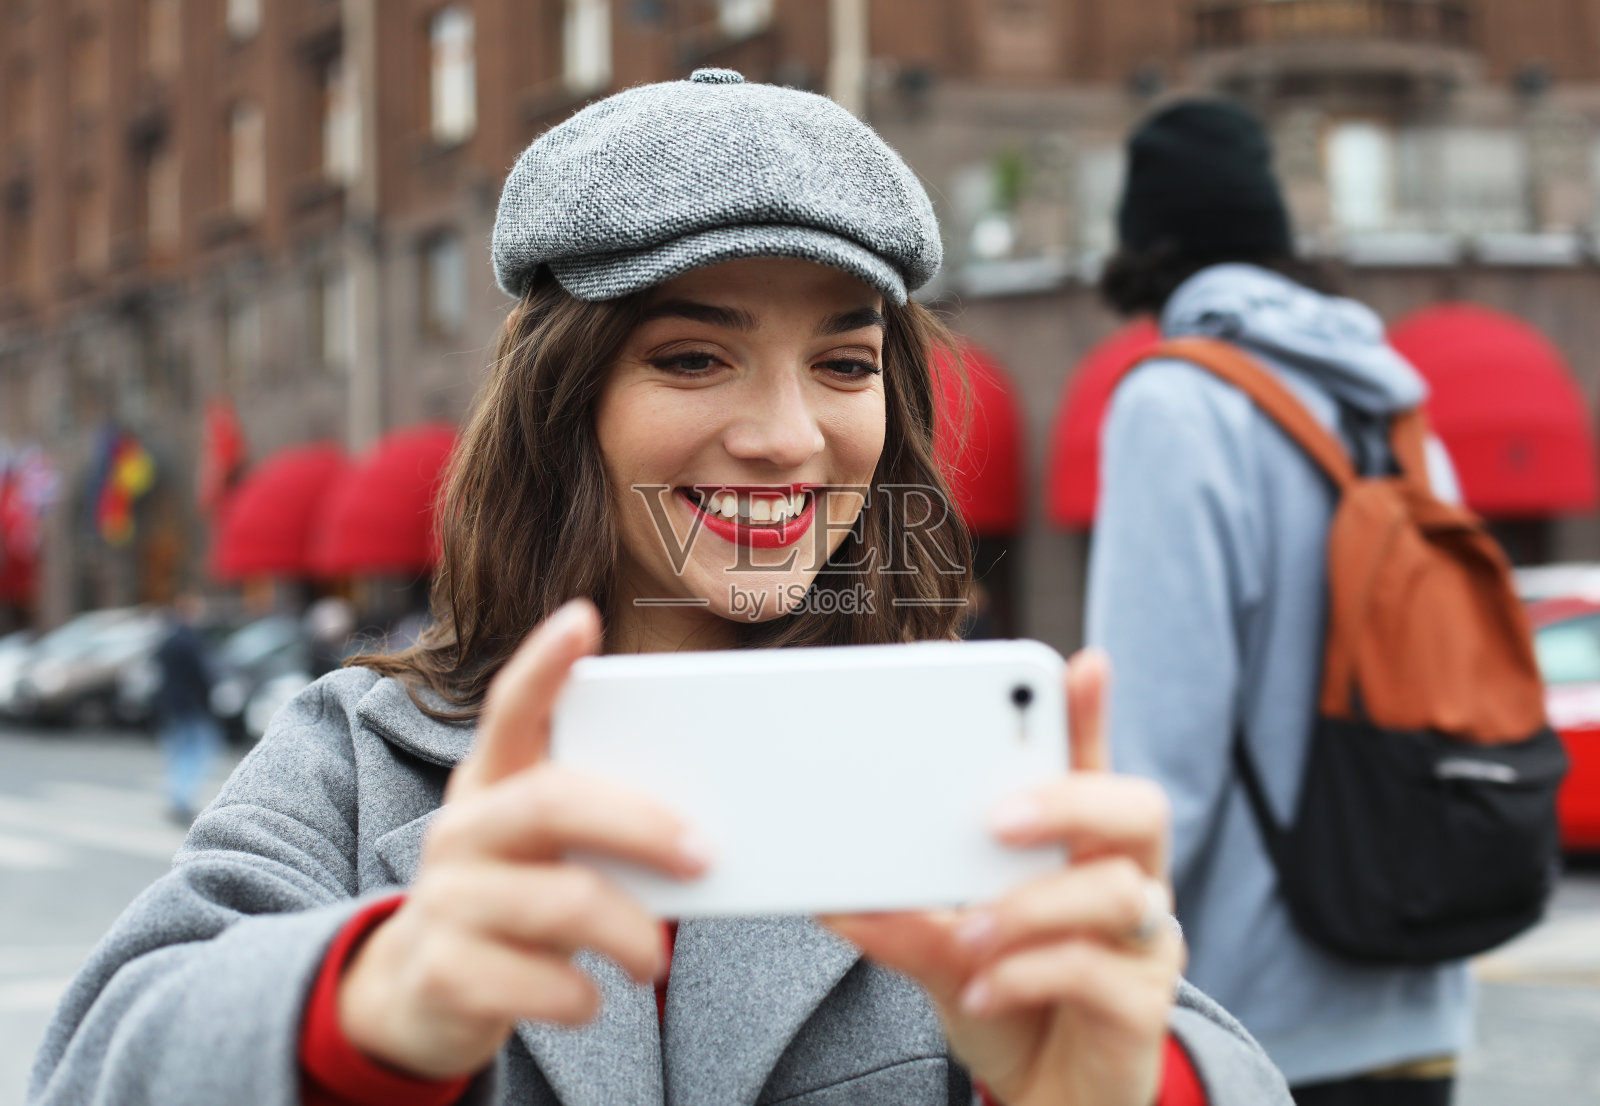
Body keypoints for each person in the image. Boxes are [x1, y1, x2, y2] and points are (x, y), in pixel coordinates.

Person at [30, 71, 1288, 1106]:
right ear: (558, 400)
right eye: (692, 357)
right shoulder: (361, 758)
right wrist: (373, 1002)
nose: (786, 435)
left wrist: (1125, 1085)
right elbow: (98, 1058)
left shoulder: (963, 762)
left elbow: (1214, 1062)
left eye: (844, 363)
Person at [1086, 99, 1468, 1105]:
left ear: (1143, 247)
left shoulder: (1175, 402)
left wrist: (1103, 960)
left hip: (1253, 1016)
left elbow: (1158, 745)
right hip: (1421, 972)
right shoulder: (1392, 399)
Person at [152, 592, 223, 824]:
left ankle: (178, 797)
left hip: (173, 705)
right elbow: (204, 675)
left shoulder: (169, 638)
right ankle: (182, 799)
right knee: (196, 751)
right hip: (192, 706)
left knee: (179, 751)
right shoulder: (190, 640)